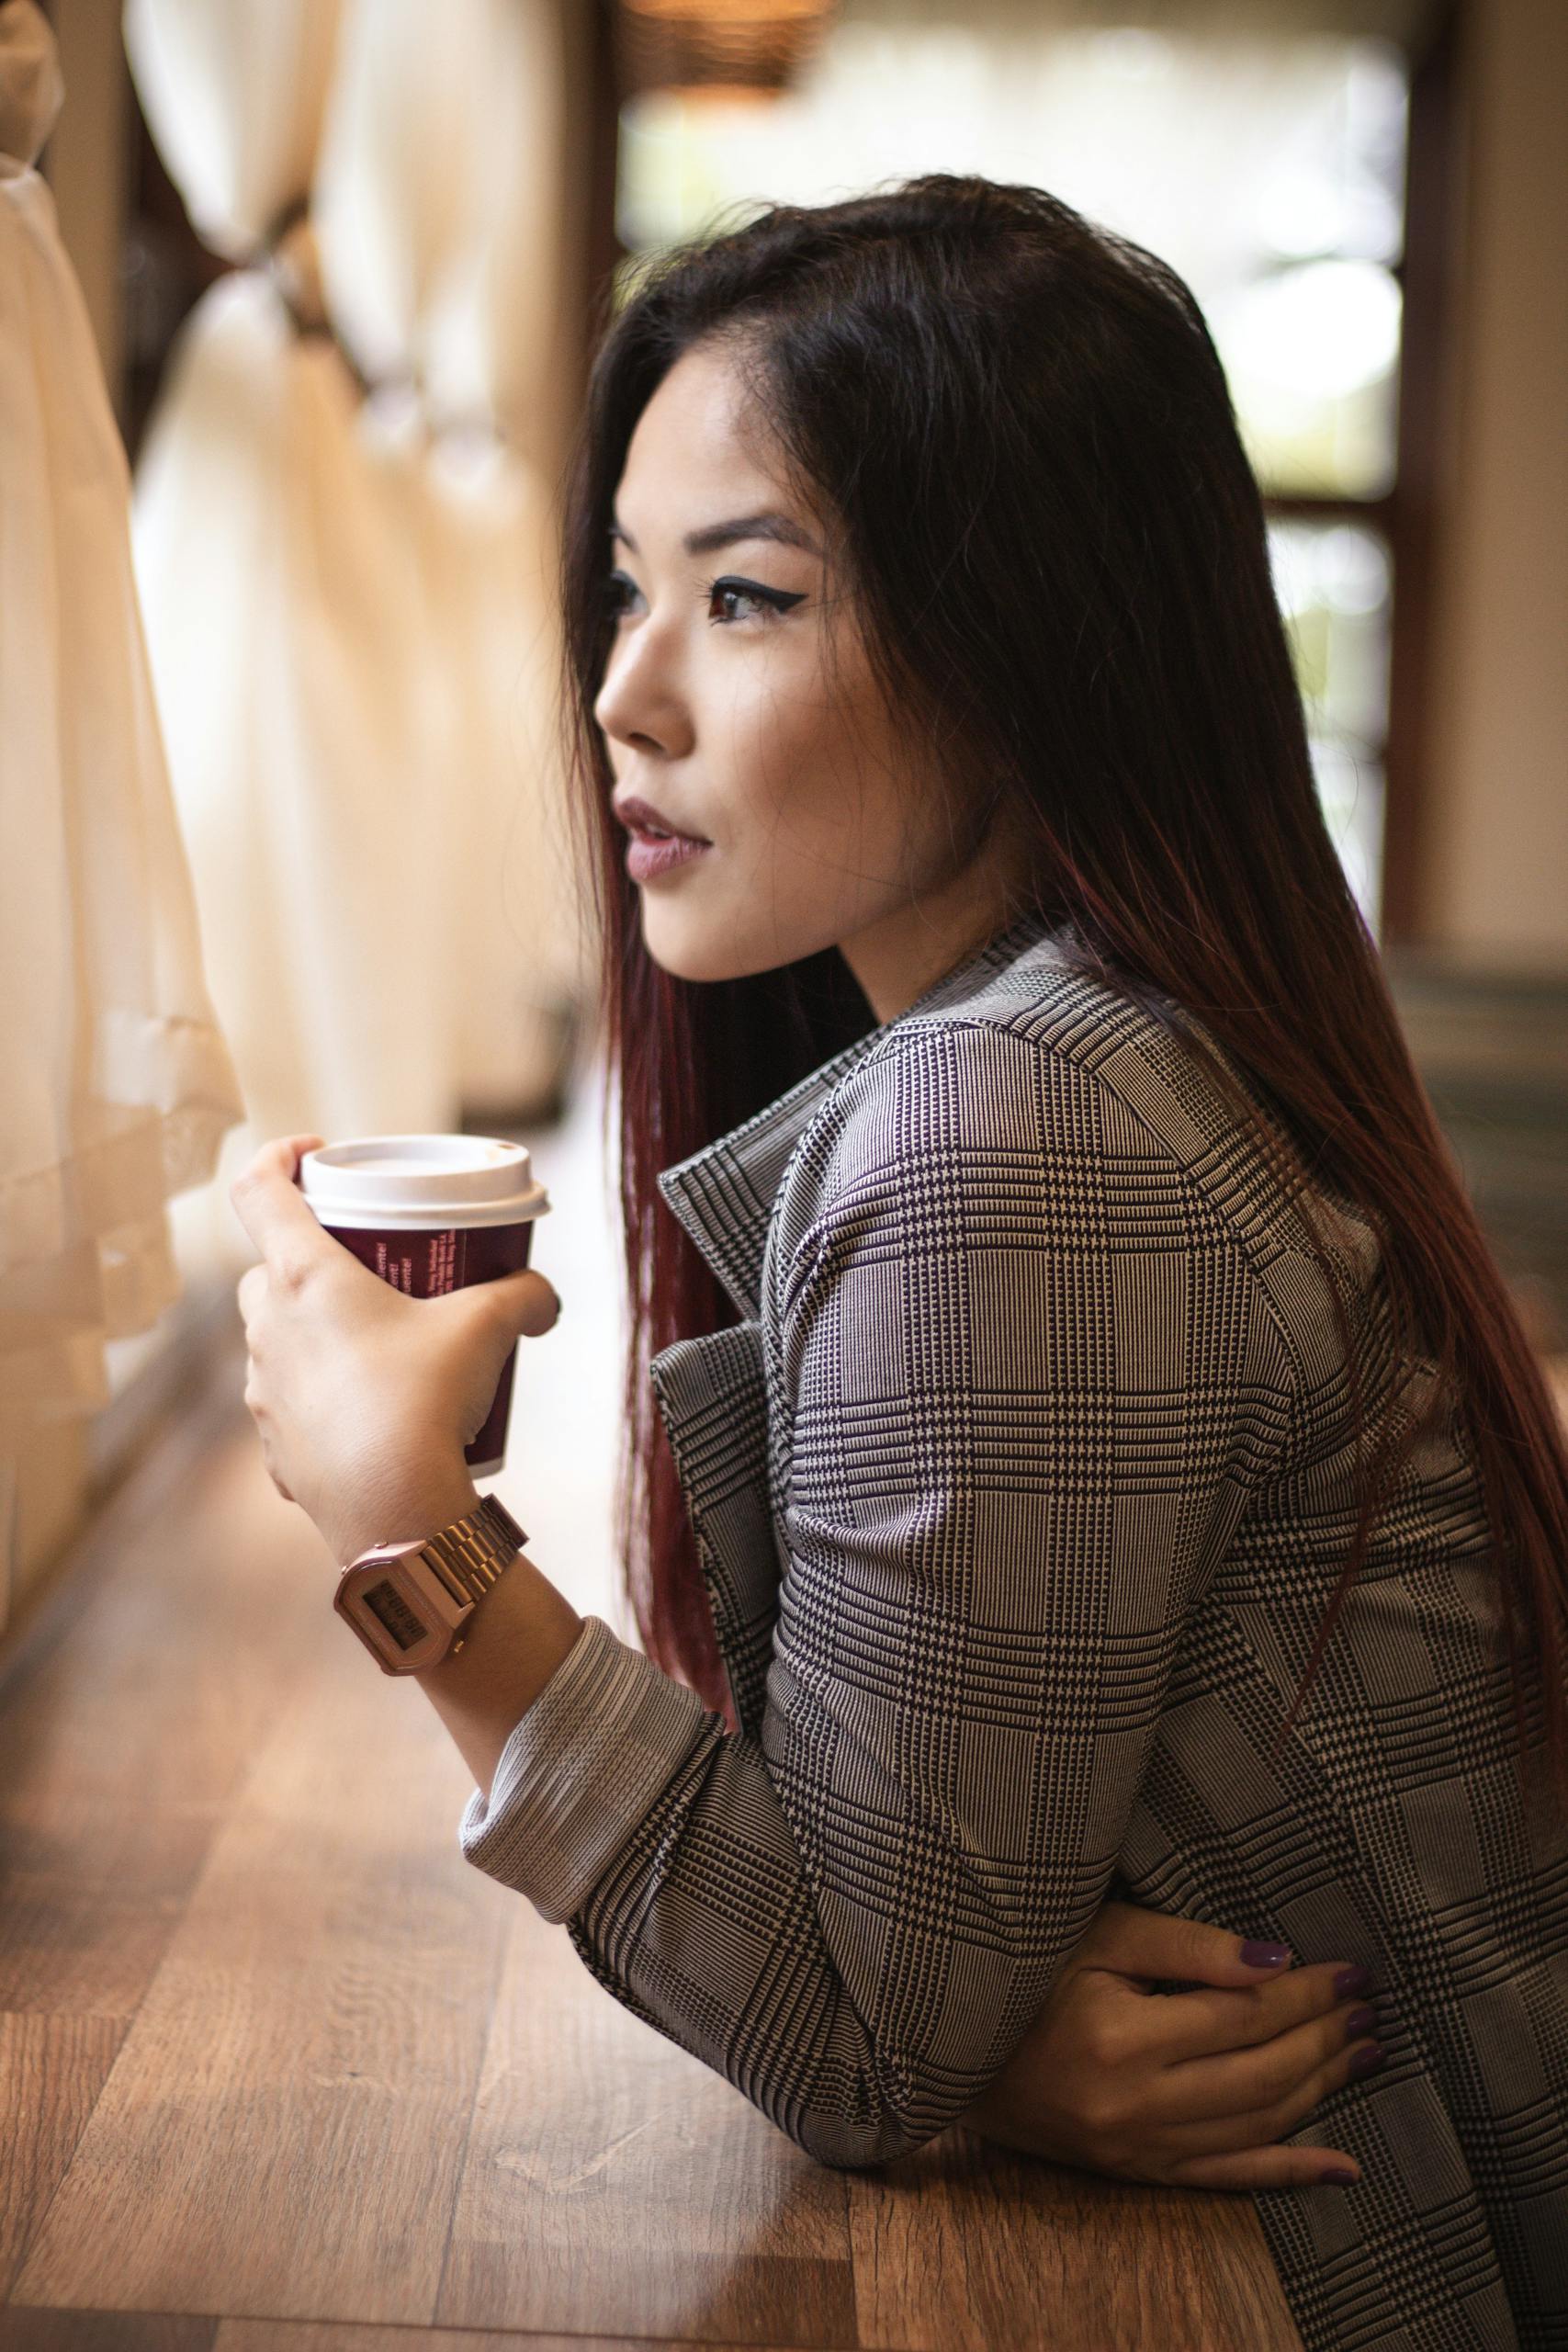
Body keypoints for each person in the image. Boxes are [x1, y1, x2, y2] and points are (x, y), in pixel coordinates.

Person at [231, 175, 1568, 2350]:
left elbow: (863, 2039)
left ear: (1022, 647)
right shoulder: (1085, 1047)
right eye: (625, 589)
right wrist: (980, 2036)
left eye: (743, 598)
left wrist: (408, 1528)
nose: (623, 693)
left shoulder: (1008, 1125)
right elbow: (901, 1983)